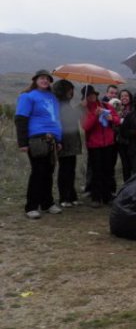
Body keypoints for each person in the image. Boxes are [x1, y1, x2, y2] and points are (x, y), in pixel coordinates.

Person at [14, 70, 63, 219]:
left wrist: (59, 140)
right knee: (38, 172)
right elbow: (21, 119)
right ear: (35, 80)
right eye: (42, 78)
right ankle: (31, 206)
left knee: (49, 172)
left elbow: (56, 119)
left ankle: (47, 203)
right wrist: (23, 142)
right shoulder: (27, 96)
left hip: (52, 139)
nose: (45, 81)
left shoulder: (53, 97)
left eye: (47, 79)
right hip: (37, 138)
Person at [81, 85, 120, 206]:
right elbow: (86, 127)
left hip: (108, 143)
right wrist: (95, 115)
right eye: (89, 95)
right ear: (85, 97)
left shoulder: (106, 105)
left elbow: (117, 119)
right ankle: (96, 198)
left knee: (108, 170)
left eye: (93, 94)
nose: (92, 96)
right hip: (94, 145)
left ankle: (107, 196)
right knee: (96, 171)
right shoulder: (84, 110)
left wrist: (111, 118)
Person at [53, 79, 82, 208]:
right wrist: (81, 107)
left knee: (70, 169)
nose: (72, 92)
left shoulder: (66, 104)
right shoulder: (58, 104)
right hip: (63, 141)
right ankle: (64, 197)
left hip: (70, 142)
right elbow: (67, 119)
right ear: (63, 91)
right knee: (65, 170)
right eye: (69, 90)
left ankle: (71, 195)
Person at [116, 89, 134, 182]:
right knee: (125, 165)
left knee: (133, 164)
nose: (124, 98)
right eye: (122, 96)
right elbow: (114, 126)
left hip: (133, 141)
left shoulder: (134, 109)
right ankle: (127, 185)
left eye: (126, 95)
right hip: (121, 141)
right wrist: (117, 117)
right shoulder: (116, 109)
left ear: (130, 97)